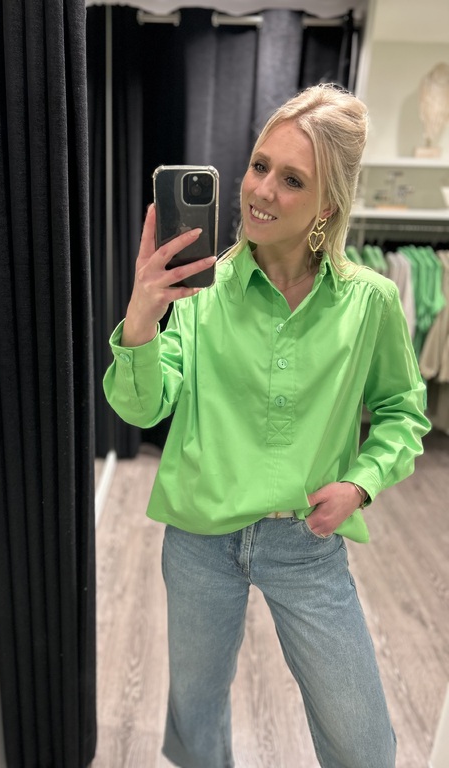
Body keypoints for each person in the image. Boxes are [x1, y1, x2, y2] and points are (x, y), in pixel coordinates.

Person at [103, 84, 431, 768]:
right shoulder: (202, 292)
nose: (261, 190)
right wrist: (140, 318)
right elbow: (142, 407)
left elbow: (403, 411)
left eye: (292, 180)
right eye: (259, 166)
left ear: (327, 205)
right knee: (197, 713)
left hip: (306, 542)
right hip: (200, 537)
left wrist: (361, 484)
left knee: (364, 744)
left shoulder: (369, 301)